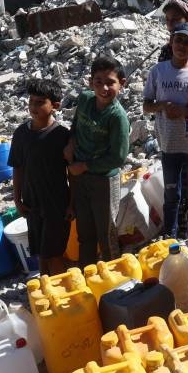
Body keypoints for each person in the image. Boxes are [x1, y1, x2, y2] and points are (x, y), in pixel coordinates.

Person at [144, 23, 188, 239]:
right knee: (171, 193)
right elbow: (147, 105)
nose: (182, 46)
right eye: (178, 40)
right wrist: (163, 106)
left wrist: (187, 111)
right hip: (169, 143)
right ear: (171, 42)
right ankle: (170, 238)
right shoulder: (157, 71)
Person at [67, 57, 131, 267]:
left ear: (122, 83)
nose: (104, 88)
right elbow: (75, 124)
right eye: (98, 82)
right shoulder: (85, 99)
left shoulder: (117, 117)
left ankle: (114, 281)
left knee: (106, 233)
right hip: (79, 177)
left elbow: (118, 158)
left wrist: (84, 166)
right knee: (85, 232)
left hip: (103, 180)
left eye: (110, 82)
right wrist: (71, 141)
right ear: (90, 82)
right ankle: (87, 276)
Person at [9, 78, 71, 276]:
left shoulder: (62, 135)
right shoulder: (21, 134)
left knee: (54, 253)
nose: (33, 107)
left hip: (57, 204)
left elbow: (73, 173)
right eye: (31, 101)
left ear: (55, 106)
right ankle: (46, 289)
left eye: (40, 102)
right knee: (40, 253)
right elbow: (17, 168)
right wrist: (17, 198)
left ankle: (61, 292)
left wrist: (72, 203)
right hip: (32, 203)